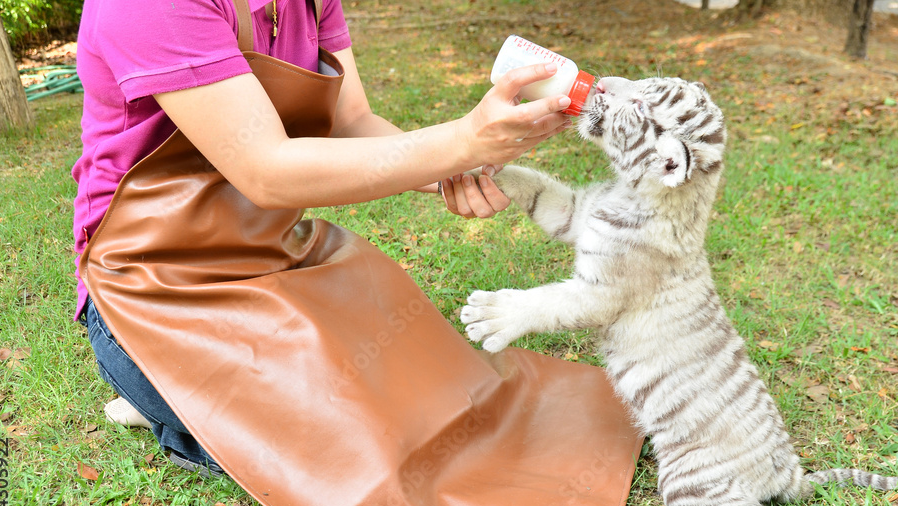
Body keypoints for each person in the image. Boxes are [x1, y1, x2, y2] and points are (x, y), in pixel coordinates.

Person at [73, 0, 573, 476]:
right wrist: (461, 139)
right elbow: (264, 169)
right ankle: (152, 394)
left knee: (414, 384)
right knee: (338, 446)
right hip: (152, 290)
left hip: (270, 254)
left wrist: (456, 163)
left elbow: (350, 121)